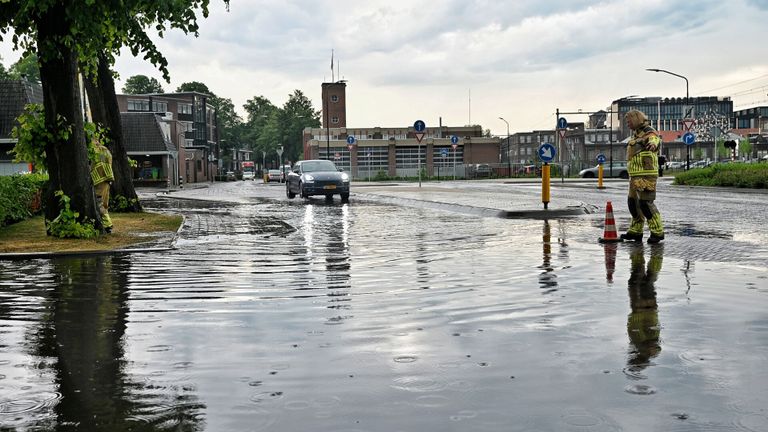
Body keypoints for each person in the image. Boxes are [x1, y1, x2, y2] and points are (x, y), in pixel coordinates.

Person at [620, 110, 665, 244]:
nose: (627, 124)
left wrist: (653, 144)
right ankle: (636, 230)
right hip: (635, 174)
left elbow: (654, 138)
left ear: (636, 119)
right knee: (633, 203)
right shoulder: (636, 134)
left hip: (646, 173)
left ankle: (657, 231)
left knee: (645, 203)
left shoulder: (648, 131)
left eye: (629, 121)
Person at [626, 244, 663, 370]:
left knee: (645, 280)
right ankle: (651, 255)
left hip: (646, 308)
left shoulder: (640, 344)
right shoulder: (640, 344)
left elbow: (636, 325)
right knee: (641, 279)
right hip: (641, 307)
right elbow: (634, 324)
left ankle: (650, 255)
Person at [90, 139, 115, 233]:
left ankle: (107, 225)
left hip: (98, 181)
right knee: (104, 204)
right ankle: (106, 224)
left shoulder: (95, 152)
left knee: (99, 203)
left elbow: (92, 166)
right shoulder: (106, 150)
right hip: (107, 180)